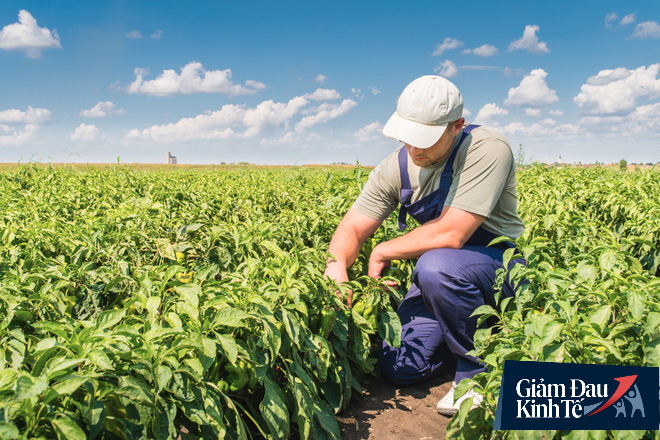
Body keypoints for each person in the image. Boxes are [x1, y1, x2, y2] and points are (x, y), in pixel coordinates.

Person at [323, 75, 525, 416]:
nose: (415, 150)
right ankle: (478, 335)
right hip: (445, 280)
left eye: (426, 141)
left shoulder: (487, 146)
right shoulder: (397, 168)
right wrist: (336, 266)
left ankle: (478, 375)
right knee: (400, 364)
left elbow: (453, 233)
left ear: (456, 126)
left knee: (435, 266)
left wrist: (382, 250)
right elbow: (353, 228)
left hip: (498, 268)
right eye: (409, 139)